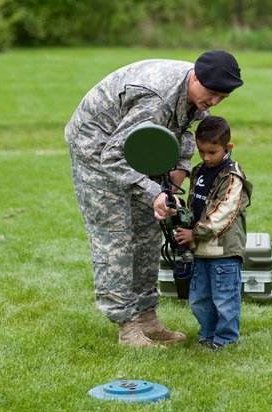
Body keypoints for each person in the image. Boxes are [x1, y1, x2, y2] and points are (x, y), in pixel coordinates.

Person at [65, 50, 244, 347]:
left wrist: (176, 176)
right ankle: (126, 326)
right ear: (196, 78)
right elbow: (112, 156)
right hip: (96, 149)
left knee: (148, 230)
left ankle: (147, 316)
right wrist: (153, 192)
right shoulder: (156, 100)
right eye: (211, 95)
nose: (213, 103)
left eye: (221, 99)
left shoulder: (199, 91)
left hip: (138, 148)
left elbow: (186, 132)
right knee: (117, 235)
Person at [175, 116, 252, 351]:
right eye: (201, 151)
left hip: (224, 251)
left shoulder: (232, 176)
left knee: (225, 299)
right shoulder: (198, 171)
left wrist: (194, 233)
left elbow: (222, 215)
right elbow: (195, 205)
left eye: (212, 152)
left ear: (227, 148)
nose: (206, 157)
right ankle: (207, 334)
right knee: (199, 299)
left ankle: (226, 339)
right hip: (201, 250)